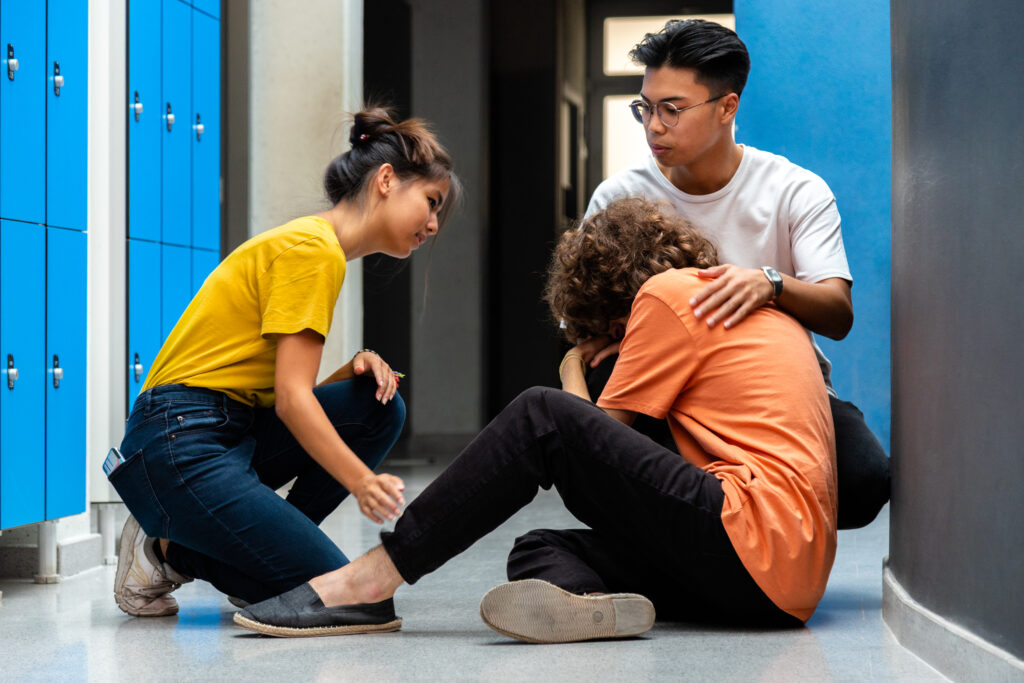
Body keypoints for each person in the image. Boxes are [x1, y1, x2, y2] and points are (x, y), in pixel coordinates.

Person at [232, 197, 837, 642]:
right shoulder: (749, 309)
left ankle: (369, 583)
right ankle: (597, 606)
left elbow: (590, 436)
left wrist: (574, 362)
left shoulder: (670, 295)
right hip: (781, 589)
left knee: (541, 415)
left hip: (748, 533)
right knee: (541, 549)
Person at [108, 107, 460, 617]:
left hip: (227, 428)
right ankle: (164, 550)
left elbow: (284, 390)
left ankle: (257, 555)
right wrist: (363, 483)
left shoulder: (318, 247)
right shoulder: (313, 250)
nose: (432, 224)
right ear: (386, 180)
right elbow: (295, 402)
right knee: (349, 595)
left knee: (378, 406)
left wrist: (353, 369)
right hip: (179, 441)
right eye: (430, 203)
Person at [584, 19, 889, 530]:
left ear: (728, 107)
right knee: (614, 437)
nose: (654, 126)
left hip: (776, 389)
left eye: (672, 110)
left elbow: (837, 312)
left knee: (863, 481)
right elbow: (586, 325)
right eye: (646, 108)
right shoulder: (618, 197)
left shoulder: (795, 190)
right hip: (666, 393)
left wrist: (769, 284)